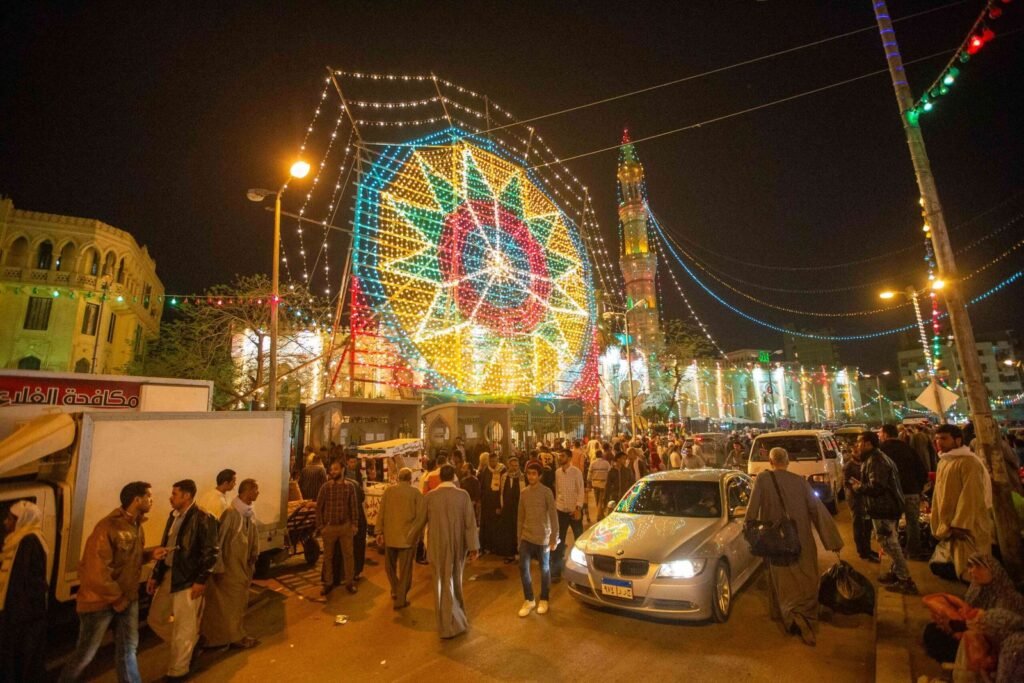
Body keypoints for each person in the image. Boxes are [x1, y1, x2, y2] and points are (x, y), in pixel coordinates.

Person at [60, 483, 167, 683]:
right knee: (85, 654)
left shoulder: (136, 526)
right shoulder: (108, 526)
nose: (152, 500)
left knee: (128, 650)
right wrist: (117, 599)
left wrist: (150, 554)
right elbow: (96, 570)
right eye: (149, 497)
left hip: (128, 599)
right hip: (100, 602)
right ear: (137, 500)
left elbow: (127, 559)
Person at [747, 447, 843, 646]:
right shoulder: (800, 482)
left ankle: (789, 616)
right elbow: (817, 511)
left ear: (771, 462)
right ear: (788, 461)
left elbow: (751, 513)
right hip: (801, 540)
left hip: (775, 541)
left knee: (780, 581)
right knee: (806, 577)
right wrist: (832, 541)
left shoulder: (762, 480)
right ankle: (805, 616)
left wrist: (751, 534)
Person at [147, 479, 220, 681]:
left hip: (189, 578)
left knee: (184, 626)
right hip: (170, 574)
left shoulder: (204, 518)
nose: (171, 498)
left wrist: (201, 580)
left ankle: (178, 671)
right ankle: (191, 643)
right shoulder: (174, 516)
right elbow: (166, 546)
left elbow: (211, 552)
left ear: (187, 496)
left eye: (175, 494)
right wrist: (156, 574)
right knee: (155, 619)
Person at [408, 465, 480, 639]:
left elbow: (419, 522)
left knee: (441, 583)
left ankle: (447, 625)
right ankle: (457, 620)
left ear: (440, 478)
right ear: (454, 477)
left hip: (437, 545)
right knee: (455, 580)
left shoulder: (430, 497)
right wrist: (473, 548)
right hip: (458, 546)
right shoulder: (463, 496)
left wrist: (409, 539)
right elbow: (470, 523)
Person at [923, 553, 1024, 664]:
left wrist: (963, 626)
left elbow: (1002, 629)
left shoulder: (1007, 597)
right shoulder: (976, 589)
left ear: (993, 570)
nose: (972, 571)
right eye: (970, 566)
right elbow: (969, 610)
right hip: (974, 629)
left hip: (996, 643)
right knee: (933, 630)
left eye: (979, 567)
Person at [853, 431, 918, 595]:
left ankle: (905, 580)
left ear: (868, 444)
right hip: (884, 507)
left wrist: (859, 487)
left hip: (884, 507)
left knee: (890, 544)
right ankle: (896, 573)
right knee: (889, 541)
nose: (857, 446)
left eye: (859, 442)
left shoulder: (877, 460)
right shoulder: (875, 458)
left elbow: (877, 487)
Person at [201, 479, 261, 650]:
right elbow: (219, 541)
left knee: (236, 604)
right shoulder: (231, 513)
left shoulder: (247, 512)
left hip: (241, 568)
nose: (258, 493)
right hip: (229, 570)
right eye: (256, 490)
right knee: (230, 606)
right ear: (248, 491)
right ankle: (234, 637)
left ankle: (229, 636)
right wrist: (218, 568)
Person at [0, 501, 49, 682]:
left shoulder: (29, 542)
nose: (6, 523)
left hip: (23, 617)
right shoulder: (21, 539)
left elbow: (29, 583)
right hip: (20, 615)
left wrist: (15, 616)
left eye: (10, 519)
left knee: (21, 659)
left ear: (22, 520)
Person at [879, 424, 929, 559]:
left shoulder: (881, 451)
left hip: (891, 494)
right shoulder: (908, 448)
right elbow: (921, 470)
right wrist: (918, 488)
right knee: (913, 523)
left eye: (880, 433)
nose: (879, 436)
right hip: (911, 492)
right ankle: (913, 552)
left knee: (891, 524)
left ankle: (895, 553)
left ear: (885, 434)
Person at [376, 468, 424, 610]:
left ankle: (396, 589)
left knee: (389, 567)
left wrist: (379, 531)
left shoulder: (388, 492)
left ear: (398, 478)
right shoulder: (415, 493)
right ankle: (400, 598)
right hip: (407, 539)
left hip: (390, 537)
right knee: (405, 571)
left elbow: (381, 512)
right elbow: (420, 517)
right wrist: (419, 536)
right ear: (410, 479)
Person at [517, 461, 559, 617]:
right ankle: (529, 599)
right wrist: (518, 538)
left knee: (544, 569)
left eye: (534, 474)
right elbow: (520, 517)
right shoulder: (524, 493)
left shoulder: (547, 492)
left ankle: (544, 598)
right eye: (529, 473)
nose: (531, 476)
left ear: (539, 476)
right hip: (526, 537)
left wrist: (554, 537)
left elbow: (554, 516)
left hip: (543, 537)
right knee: (523, 568)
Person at [317, 461, 360, 596]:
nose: (333, 471)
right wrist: (321, 527)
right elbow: (319, 507)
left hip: (345, 526)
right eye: (331, 469)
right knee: (327, 557)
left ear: (342, 469)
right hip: (329, 527)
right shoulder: (325, 487)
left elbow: (353, 506)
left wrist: (354, 524)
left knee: (348, 556)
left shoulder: (349, 487)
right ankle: (328, 583)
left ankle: (349, 582)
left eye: (336, 469)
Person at [551, 449, 585, 583]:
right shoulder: (557, 473)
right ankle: (556, 571)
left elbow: (581, 490)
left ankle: (580, 570)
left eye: (563, 456)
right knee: (559, 540)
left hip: (574, 510)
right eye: (560, 456)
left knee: (579, 540)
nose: (560, 458)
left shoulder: (576, 472)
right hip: (561, 510)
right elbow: (557, 490)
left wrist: (578, 508)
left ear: (569, 458)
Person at [843, 442, 878, 562]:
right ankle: (862, 550)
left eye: (859, 451)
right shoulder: (849, 466)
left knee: (867, 525)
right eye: (856, 451)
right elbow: (848, 482)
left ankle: (867, 548)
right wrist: (857, 487)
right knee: (859, 525)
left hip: (865, 497)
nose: (858, 453)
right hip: (855, 498)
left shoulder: (865, 463)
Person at [494, 456, 525, 563]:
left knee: (519, 530)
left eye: (516, 465)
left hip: (519, 508)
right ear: (509, 465)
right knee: (507, 531)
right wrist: (500, 506)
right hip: (507, 508)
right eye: (512, 465)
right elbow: (500, 493)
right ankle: (509, 554)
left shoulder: (522, 477)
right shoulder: (504, 477)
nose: (515, 467)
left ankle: (519, 552)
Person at [477, 453, 502, 554]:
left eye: (495, 461)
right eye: (491, 461)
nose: (493, 463)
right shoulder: (485, 471)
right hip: (487, 503)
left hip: (497, 502)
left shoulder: (501, 470)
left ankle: (496, 546)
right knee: (488, 525)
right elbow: (482, 487)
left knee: (497, 525)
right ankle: (488, 546)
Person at [588, 449, 611, 521]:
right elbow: (610, 473)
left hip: (595, 484)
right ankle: (600, 515)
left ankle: (599, 515)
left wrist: (588, 482)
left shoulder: (593, 463)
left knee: (597, 500)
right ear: (601, 455)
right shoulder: (606, 463)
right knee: (602, 500)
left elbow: (589, 474)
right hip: (604, 484)